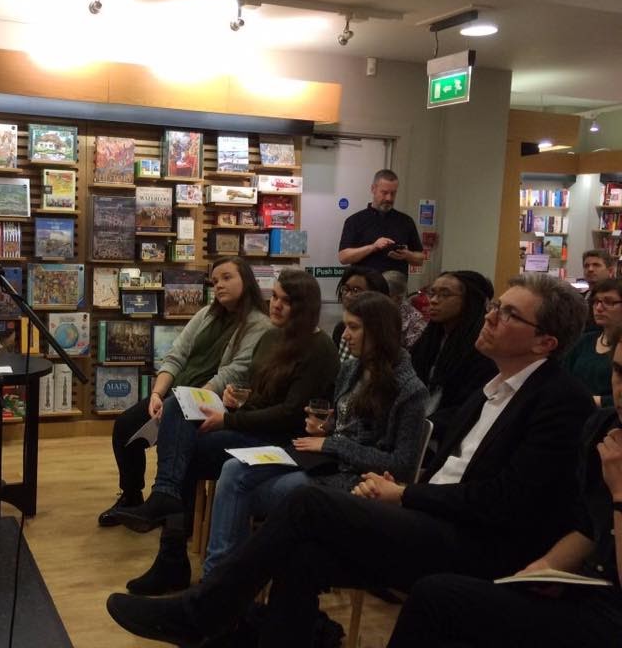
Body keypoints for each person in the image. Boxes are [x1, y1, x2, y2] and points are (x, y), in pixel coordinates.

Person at [105, 273, 595, 647]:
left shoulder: (558, 401)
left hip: (470, 540)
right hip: (426, 514)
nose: (490, 317)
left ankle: (203, 613)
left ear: (544, 343)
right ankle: (242, 624)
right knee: (301, 554)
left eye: (508, 314)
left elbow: (504, 500)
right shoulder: (489, 391)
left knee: (306, 506)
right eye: (495, 308)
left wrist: (403, 493)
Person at [386, 332, 622, 648]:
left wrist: (620, 495)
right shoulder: (606, 427)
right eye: (619, 372)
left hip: (611, 617)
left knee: (437, 598)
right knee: (440, 597)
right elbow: (587, 526)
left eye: (509, 314)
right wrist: (544, 570)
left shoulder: (562, 399)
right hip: (584, 589)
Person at [112, 269, 340, 595]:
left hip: (281, 442)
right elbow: (263, 395)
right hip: (251, 425)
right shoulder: (272, 337)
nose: (275, 305)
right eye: (274, 296)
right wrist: (236, 400)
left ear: (305, 306)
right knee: (178, 407)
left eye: (286, 301)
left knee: (186, 451)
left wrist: (230, 419)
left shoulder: (320, 349)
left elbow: (289, 414)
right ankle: (167, 506)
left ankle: (175, 551)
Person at [201, 291, 427, 577]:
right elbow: (346, 427)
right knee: (233, 469)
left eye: (354, 327)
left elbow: (401, 465)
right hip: (320, 459)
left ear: (379, 332)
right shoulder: (352, 369)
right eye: (345, 326)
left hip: (351, 477)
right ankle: (221, 579)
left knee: (242, 492)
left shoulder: (410, 391)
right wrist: (325, 428)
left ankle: (223, 581)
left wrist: (332, 442)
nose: (345, 335)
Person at [98, 257, 271, 527]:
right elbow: (176, 355)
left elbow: (233, 372)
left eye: (227, 278)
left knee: (185, 438)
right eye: (215, 281)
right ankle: (132, 496)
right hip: (177, 393)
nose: (220, 285)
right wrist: (157, 393)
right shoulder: (206, 315)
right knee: (125, 426)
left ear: (246, 280)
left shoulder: (259, 324)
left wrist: (186, 401)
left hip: (214, 401)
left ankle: (175, 508)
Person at [410, 270, 497, 448]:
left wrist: (421, 426)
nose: (433, 300)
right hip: (417, 428)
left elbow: (470, 406)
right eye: (432, 293)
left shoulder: (483, 348)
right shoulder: (429, 339)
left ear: (469, 301)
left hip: (451, 438)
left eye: (445, 294)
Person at [338, 169, 424, 276]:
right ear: (373, 189)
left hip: (395, 289)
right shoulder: (355, 221)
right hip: (365, 288)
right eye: (384, 193)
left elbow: (420, 259)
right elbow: (343, 257)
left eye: (393, 193)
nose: (389, 198)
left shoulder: (406, 221)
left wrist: (407, 255)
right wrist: (373, 247)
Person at [564, 277, 622, 409]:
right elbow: (563, 377)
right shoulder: (584, 341)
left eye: (609, 302)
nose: (599, 308)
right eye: (596, 302)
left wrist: (597, 400)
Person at [330, 266, 388, 362]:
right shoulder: (341, 329)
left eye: (356, 290)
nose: (348, 295)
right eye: (345, 289)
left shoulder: (387, 332)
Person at [383, 269, 427, 348]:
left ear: (398, 298)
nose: (377, 298)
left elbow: (413, 353)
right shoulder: (372, 310)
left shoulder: (415, 321)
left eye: (383, 296)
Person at [581, 249, 614, 331]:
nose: (590, 269)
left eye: (596, 265)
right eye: (586, 266)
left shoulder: (617, 299)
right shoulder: (580, 299)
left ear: (610, 271)